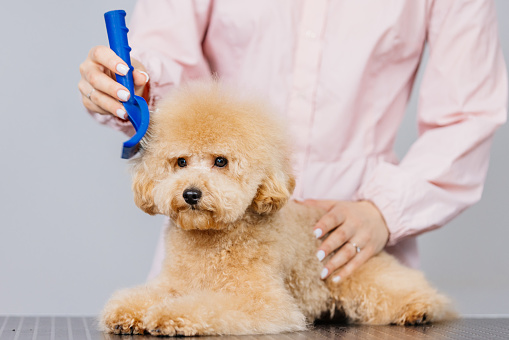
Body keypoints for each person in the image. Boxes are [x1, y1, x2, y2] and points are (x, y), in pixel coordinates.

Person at [79, 1, 507, 283]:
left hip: (354, 244)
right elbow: (164, 67)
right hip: (214, 236)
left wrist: (385, 209)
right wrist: (130, 85)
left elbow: (469, 112)